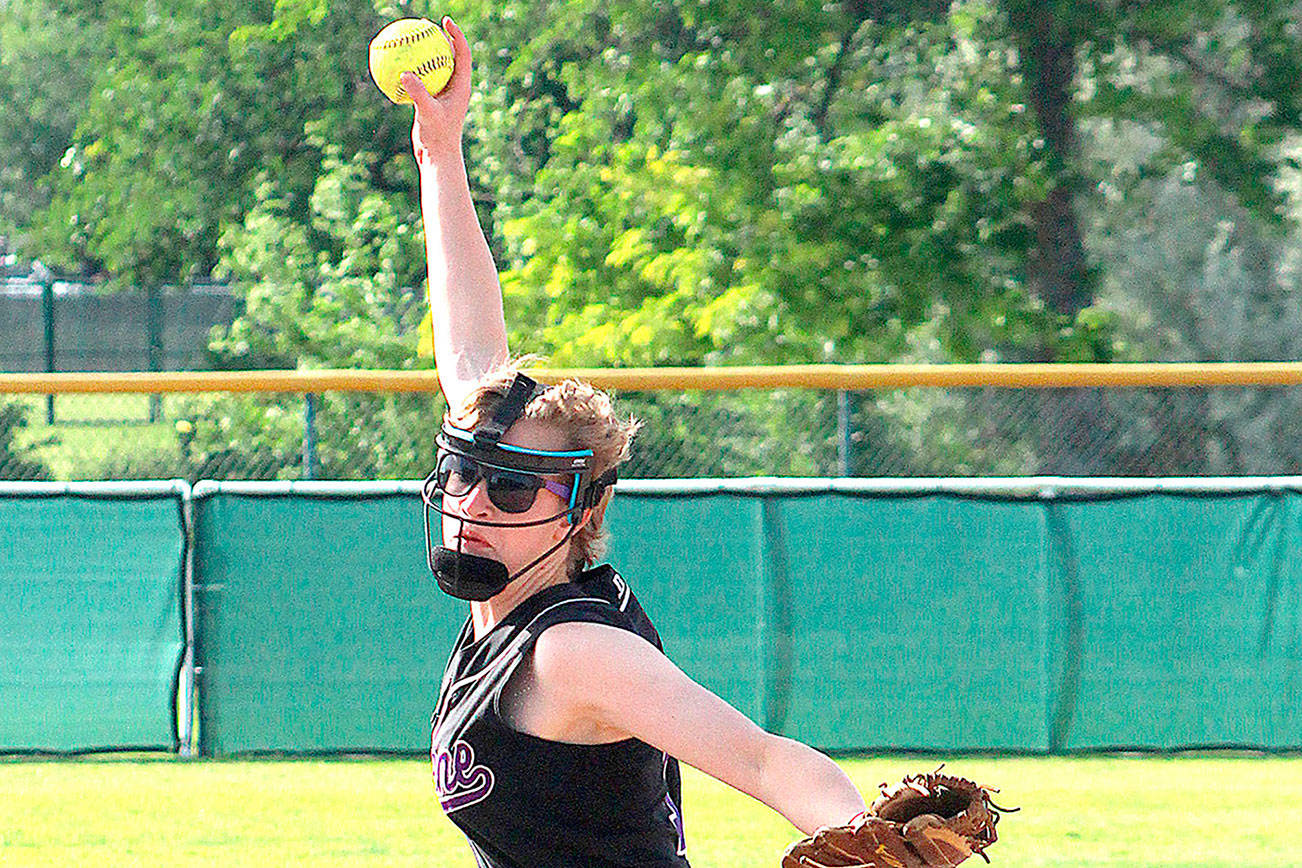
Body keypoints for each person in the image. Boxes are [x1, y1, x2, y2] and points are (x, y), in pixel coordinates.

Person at [404, 17, 867, 867]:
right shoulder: (513, 614)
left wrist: (862, 837)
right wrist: (441, 151)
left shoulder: (573, 651)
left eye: (510, 487)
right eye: (464, 470)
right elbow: (469, 346)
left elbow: (761, 757)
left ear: (577, 510)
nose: (471, 499)